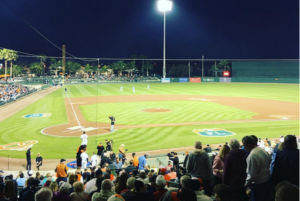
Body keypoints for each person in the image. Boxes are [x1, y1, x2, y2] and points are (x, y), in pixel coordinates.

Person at [242, 136, 273, 201]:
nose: (244, 147)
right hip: (267, 180)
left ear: (249, 144)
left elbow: (251, 174)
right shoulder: (262, 149)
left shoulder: (252, 156)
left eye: (245, 145)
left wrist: (246, 183)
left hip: (258, 185)